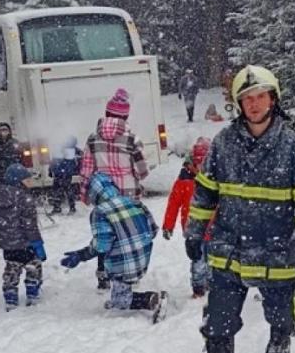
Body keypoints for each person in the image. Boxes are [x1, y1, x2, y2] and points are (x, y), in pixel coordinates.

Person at [184, 64, 295, 353]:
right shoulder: (223, 144)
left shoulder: (293, 147)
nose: (255, 104)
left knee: (280, 311)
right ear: (238, 103)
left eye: (261, 96)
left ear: (273, 99)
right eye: (247, 98)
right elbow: (204, 193)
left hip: (277, 250)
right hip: (229, 248)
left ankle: (279, 340)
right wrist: (195, 230)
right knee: (218, 318)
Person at [60, 172, 165, 319]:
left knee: (120, 300)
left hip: (123, 264)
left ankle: (153, 299)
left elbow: (102, 246)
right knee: (120, 260)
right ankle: (121, 293)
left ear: (94, 194)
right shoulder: (135, 202)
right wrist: (135, 240)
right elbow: (153, 230)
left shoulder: (100, 212)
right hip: (143, 257)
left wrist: (81, 255)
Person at [79, 88, 149, 289]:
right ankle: (126, 274)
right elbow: (142, 170)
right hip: (128, 197)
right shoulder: (132, 139)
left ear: (106, 113)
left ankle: (103, 273)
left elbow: (86, 169)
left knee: (105, 233)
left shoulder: (93, 138)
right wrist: (131, 176)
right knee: (127, 234)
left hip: (103, 195)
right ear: (125, 116)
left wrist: (85, 194)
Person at [161, 137, 211, 298]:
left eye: (204, 163)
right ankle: (198, 288)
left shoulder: (216, 178)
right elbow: (173, 204)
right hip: (192, 229)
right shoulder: (184, 181)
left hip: (214, 229)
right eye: (198, 163)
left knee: (214, 259)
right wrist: (168, 226)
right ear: (192, 162)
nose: (201, 167)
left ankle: (212, 283)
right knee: (198, 260)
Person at [0, 162, 44, 311]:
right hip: (25, 243)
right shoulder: (24, 198)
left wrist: (5, 238)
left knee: (12, 268)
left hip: (8, 244)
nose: (29, 183)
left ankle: (10, 297)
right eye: (26, 180)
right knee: (34, 266)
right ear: (18, 181)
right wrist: (37, 242)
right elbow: (29, 224)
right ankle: (32, 293)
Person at [48, 136, 82, 214]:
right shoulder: (76, 151)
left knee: (57, 191)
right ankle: (72, 207)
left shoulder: (60, 149)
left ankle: (57, 207)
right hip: (67, 174)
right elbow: (79, 162)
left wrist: (50, 170)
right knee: (68, 190)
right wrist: (76, 170)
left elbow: (54, 161)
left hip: (58, 173)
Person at [0, 122, 20, 187]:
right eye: (2, 130)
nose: (4, 132)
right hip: (2, 175)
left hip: (17, 173)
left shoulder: (15, 143)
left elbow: (21, 158)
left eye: (6, 129)